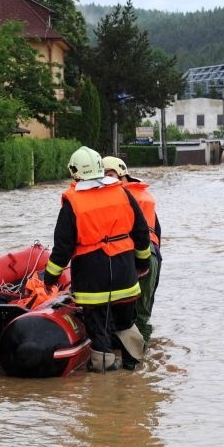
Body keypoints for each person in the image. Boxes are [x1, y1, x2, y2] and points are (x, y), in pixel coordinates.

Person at [42, 146, 152, 372]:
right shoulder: (123, 193)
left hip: (93, 275)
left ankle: (104, 373)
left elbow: (63, 248)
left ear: (74, 171)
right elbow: (141, 233)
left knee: (98, 326)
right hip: (124, 272)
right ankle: (135, 366)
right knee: (125, 322)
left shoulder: (73, 202)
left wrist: (50, 278)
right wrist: (142, 264)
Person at [102, 156, 162, 346]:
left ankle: (137, 362)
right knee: (139, 310)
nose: (106, 180)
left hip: (137, 256)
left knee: (136, 314)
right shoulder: (144, 195)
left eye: (110, 175)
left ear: (122, 175)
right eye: (103, 176)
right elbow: (157, 230)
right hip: (151, 254)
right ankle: (141, 364)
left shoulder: (121, 198)